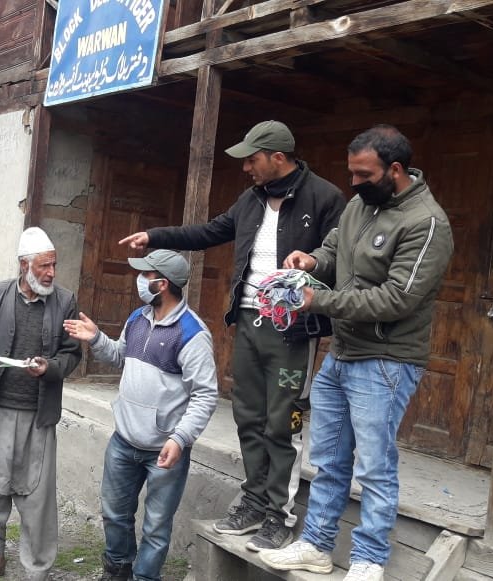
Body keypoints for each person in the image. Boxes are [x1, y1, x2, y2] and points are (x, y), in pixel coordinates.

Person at [120, 120, 346, 550]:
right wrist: (156, 236)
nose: (246, 168)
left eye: (252, 159)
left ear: (277, 157)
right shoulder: (251, 200)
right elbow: (208, 232)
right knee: (248, 415)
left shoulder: (325, 197)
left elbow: (339, 257)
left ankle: (279, 514)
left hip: (293, 327)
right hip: (248, 321)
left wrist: (314, 263)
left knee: (282, 421)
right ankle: (254, 502)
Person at [259, 125, 454, 581]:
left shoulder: (427, 223)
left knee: (374, 467)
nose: (354, 182)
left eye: (364, 175)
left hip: (386, 360)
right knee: (329, 459)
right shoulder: (359, 205)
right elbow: (333, 251)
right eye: (352, 173)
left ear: (395, 170)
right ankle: (316, 545)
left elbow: (396, 300)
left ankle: (368, 560)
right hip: (342, 353)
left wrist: (317, 300)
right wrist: (311, 260)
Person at [63, 250, 219, 581]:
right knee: (114, 513)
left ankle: (145, 577)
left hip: (164, 449)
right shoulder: (137, 318)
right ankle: (118, 569)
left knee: (156, 526)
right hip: (124, 440)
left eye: (146, 275)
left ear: (162, 284)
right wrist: (96, 338)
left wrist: (180, 438)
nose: (139, 280)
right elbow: (121, 357)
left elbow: (205, 395)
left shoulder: (192, 334)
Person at [0, 227, 83, 581]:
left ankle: (37, 569)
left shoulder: (65, 301)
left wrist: (50, 368)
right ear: (24, 265)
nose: (51, 273)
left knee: (37, 498)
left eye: (54, 265)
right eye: (44, 266)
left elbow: (72, 354)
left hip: (37, 417)